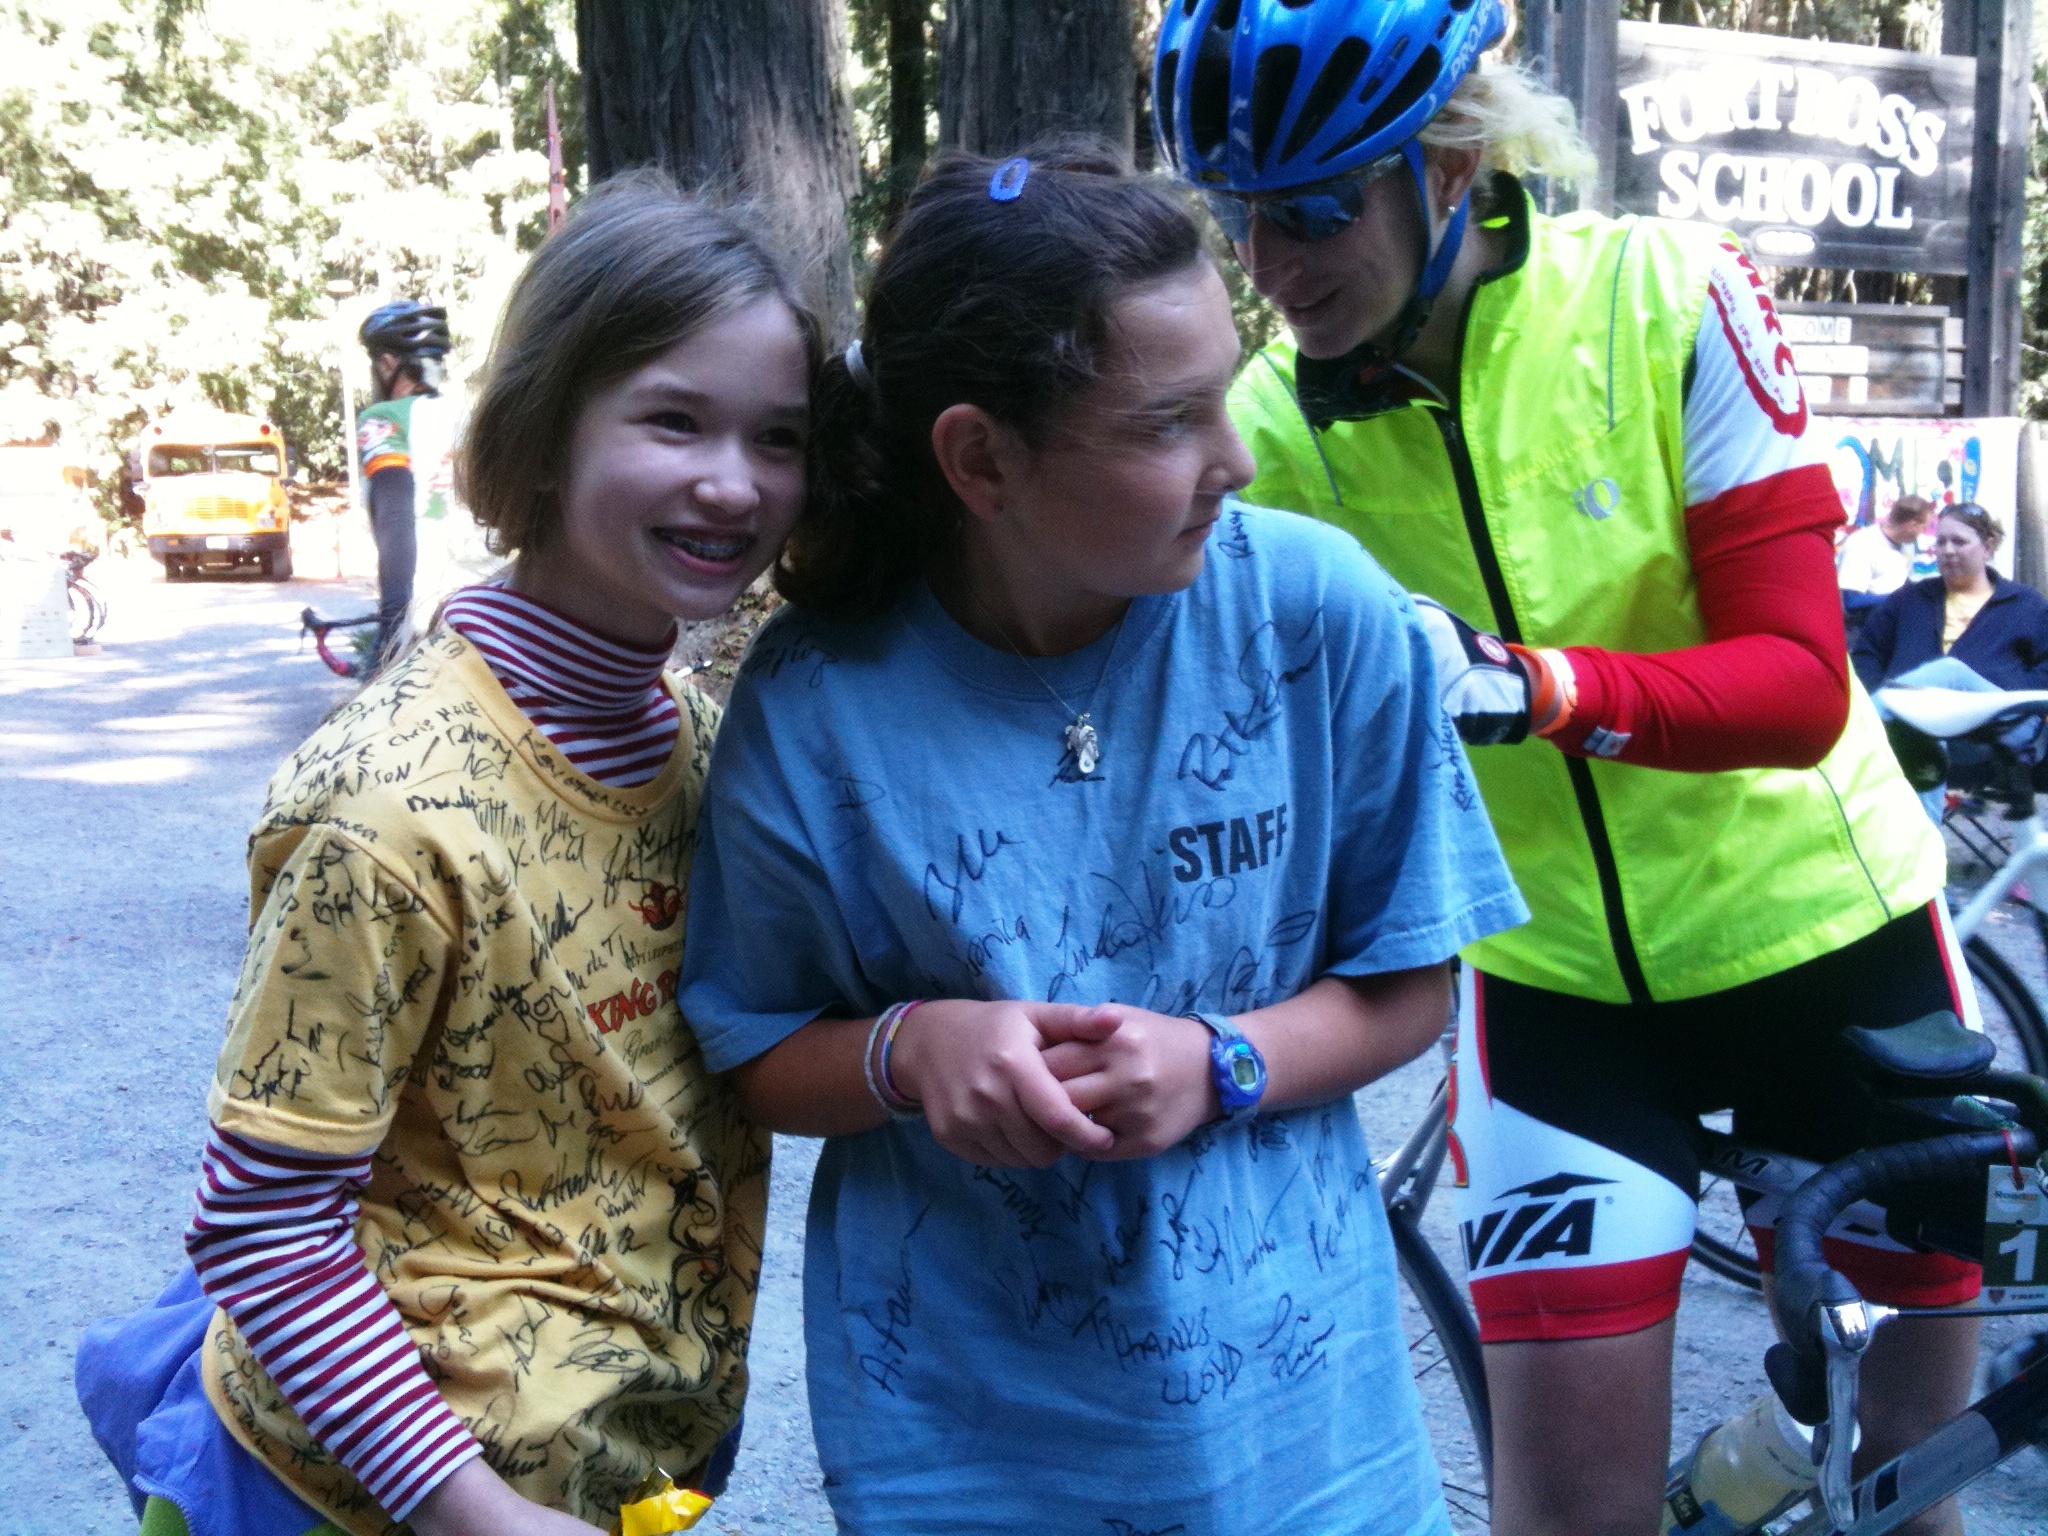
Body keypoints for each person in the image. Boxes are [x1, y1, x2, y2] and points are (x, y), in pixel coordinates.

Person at [1155, 5, 1974, 1535]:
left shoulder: (1675, 294)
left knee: (1900, 1478)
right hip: (1560, 998)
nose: (1269, 264)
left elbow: (1798, 686)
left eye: (1315, 207)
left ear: (1448, 162)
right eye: (1239, 214)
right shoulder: (1265, 428)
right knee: (1568, 1513)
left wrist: (1530, 687)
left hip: (1830, 951)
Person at [677, 146, 1527, 1535]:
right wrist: (908, 1052)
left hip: (1308, 1443)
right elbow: (754, 1047)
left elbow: (1410, 986)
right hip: (971, 1454)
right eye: (1167, 422)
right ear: (981, 459)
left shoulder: (1321, 617)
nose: (1233, 459)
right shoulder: (816, 704)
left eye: (1226, 394)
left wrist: (1222, 1063)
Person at [75, 172, 813, 1536]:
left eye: (779, 437)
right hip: (367, 1498)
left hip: (605, 1468)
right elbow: (263, 1226)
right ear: (542, 433)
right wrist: (470, 1511)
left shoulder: (711, 751)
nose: (734, 481)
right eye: (674, 419)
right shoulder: (385, 809)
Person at [1853, 503, 2048, 693]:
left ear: (1987, 548)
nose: (1948, 550)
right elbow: (1866, 654)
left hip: (1995, 712)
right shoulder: (1908, 600)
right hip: (1906, 710)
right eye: (1941, 542)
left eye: (1959, 542)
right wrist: (1879, 696)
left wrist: (2011, 695)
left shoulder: (2024, 604)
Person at [1838, 493, 1935, 634]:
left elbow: (1899, 583)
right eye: (1923, 528)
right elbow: (1851, 601)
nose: (1923, 533)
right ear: (1911, 524)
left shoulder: (1906, 545)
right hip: (1863, 628)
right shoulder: (1861, 544)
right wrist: (1902, 599)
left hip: (1894, 626)